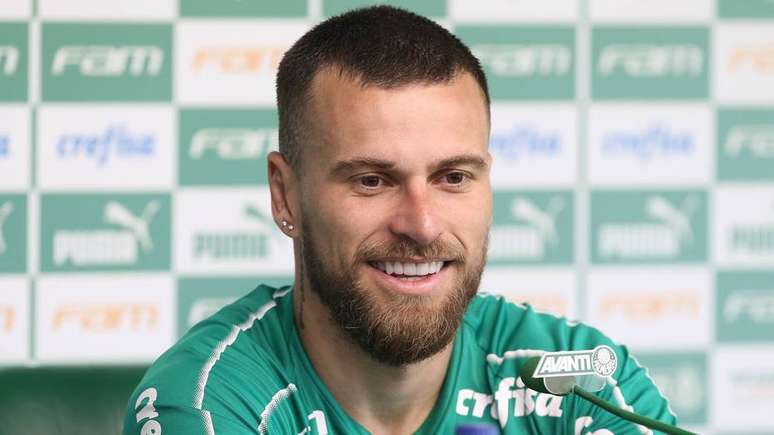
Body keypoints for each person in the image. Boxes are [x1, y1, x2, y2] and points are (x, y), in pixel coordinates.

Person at [124, 6, 677, 434]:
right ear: (284, 194)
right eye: (371, 180)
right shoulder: (209, 401)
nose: (423, 224)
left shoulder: (581, 382)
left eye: (453, 177)